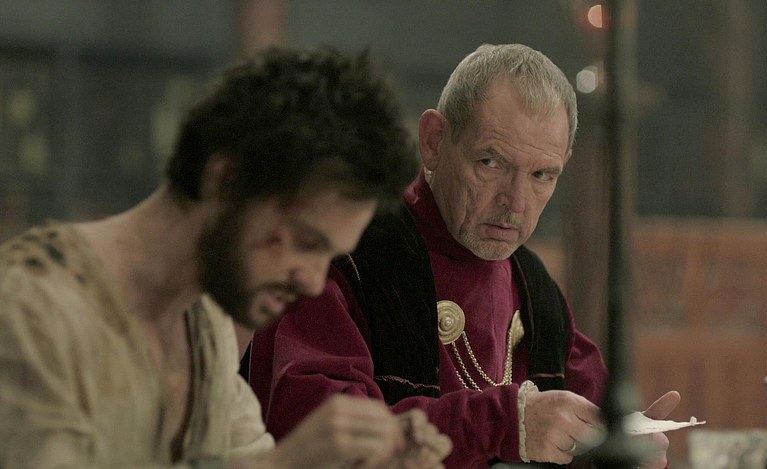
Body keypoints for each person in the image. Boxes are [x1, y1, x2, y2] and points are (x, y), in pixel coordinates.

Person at [0, 45, 452, 469]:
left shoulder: (205, 322)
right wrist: (287, 463)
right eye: (305, 241)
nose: (314, 282)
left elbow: (244, 458)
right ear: (226, 179)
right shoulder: (31, 307)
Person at [246, 43, 680, 468]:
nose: (516, 202)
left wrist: (620, 451)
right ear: (434, 141)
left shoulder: (535, 289)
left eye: (542, 175)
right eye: (491, 162)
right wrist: (502, 423)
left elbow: (590, 423)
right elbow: (319, 439)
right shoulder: (345, 256)